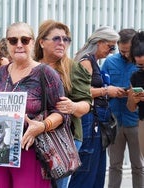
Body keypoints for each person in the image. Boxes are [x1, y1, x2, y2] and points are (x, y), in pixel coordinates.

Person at [0, 21, 67, 188]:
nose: (19, 45)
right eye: (13, 40)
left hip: (31, 151)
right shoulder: (0, 73)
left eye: (24, 40)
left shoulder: (46, 73)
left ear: (33, 42)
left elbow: (62, 112)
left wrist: (42, 125)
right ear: (7, 42)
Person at [34, 19, 92, 188]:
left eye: (66, 39)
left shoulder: (73, 68)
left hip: (65, 137)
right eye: (57, 38)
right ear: (42, 42)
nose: (62, 43)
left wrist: (73, 106)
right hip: (35, 134)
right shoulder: (32, 66)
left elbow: (86, 105)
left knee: (56, 185)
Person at [68, 26, 120, 188]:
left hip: (97, 120)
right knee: (87, 170)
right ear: (99, 42)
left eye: (114, 48)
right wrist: (106, 90)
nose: (111, 52)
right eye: (110, 46)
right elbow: (81, 92)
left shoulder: (93, 61)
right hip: (89, 120)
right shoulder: (85, 61)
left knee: (96, 170)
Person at [101, 28, 144, 188]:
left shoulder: (140, 62)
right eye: (122, 51)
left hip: (136, 122)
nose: (126, 54)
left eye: (128, 51)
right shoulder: (109, 62)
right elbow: (101, 86)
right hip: (114, 121)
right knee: (114, 165)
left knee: (138, 166)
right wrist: (111, 91)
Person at [127, 31, 144, 163]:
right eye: (139, 64)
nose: (141, 67)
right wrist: (134, 99)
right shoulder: (135, 76)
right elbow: (131, 108)